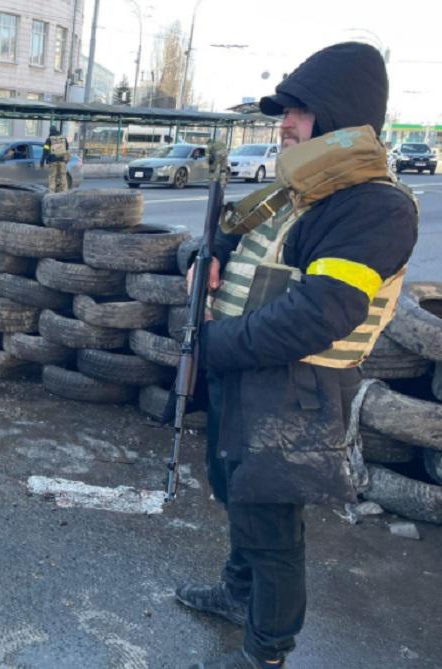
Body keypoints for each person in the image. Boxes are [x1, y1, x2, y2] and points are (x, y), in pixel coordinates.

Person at [176, 42, 419, 669]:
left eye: (299, 110)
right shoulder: (297, 189)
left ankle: (267, 650)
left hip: (297, 388)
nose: (284, 123)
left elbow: (320, 314)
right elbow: (225, 237)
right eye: (284, 111)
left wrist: (211, 345)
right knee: (237, 492)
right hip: (245, 372)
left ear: (339, 115)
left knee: (273, 526)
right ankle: (238, 596)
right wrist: (204, 259)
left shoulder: (374, 205)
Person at [41, 125, 69, 192]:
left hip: (53, 161)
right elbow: (67, 148)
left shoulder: (49, 139)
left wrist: (42, 161)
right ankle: (65, 191)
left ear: (50, 131)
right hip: (62, 160)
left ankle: (52, 192)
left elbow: (45, 151)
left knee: (52, 177)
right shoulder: (63, 138)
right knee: (63, 176)